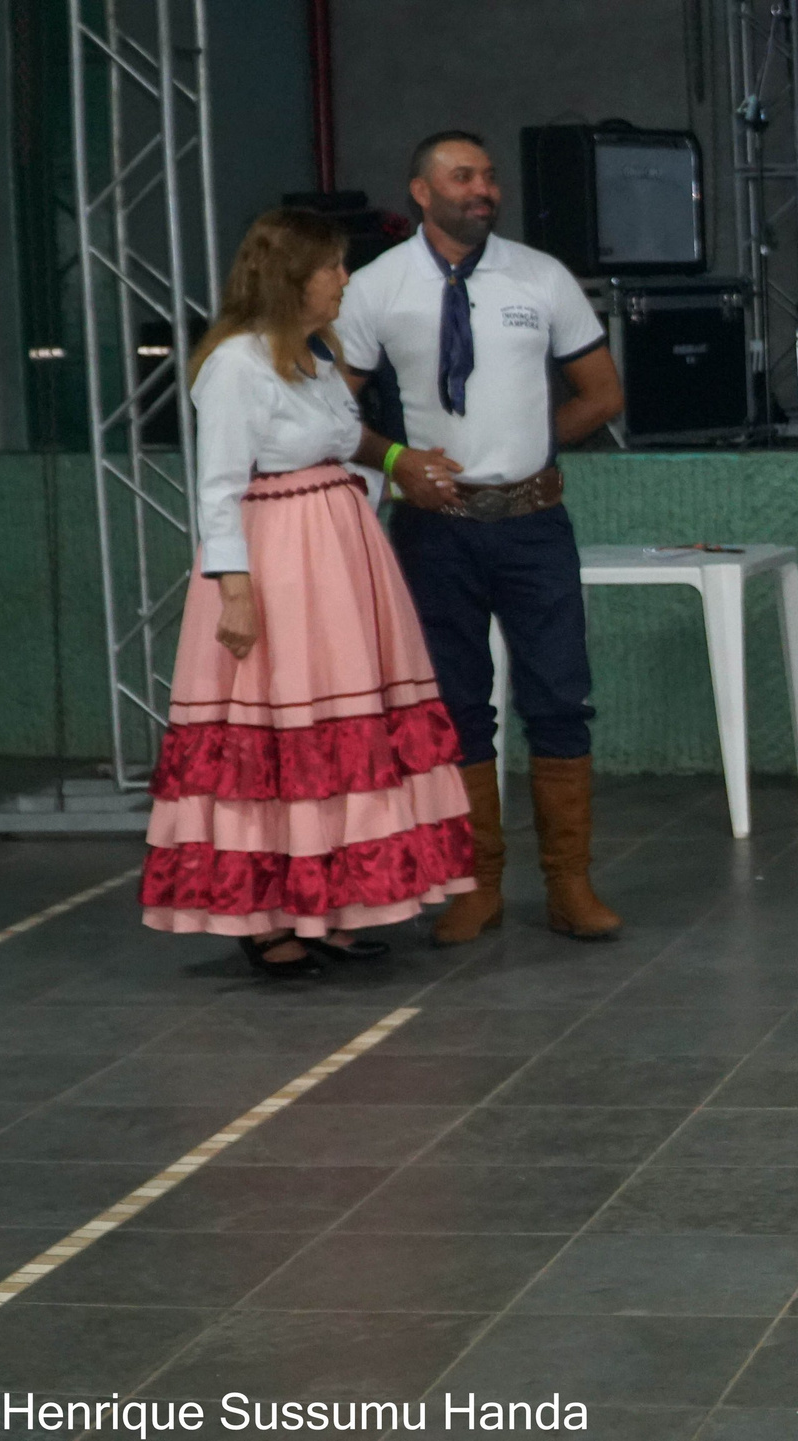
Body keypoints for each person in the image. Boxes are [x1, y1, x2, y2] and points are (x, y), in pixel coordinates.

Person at [140, 208, 476, 977]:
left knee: (342, 734)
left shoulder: (310, 357)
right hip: (282, 559)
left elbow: (339, 442)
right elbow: (219, 488)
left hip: (337, 557)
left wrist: (385, 472)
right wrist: (235, 590)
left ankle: (326, 902)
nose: (343, 280)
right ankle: (267, 916)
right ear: (292, 276)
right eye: (332, 267)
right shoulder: (236, 365)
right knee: (287, 727)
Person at [336, 130, 626, 946]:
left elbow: (602, 394)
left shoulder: (541, 277)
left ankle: (570, 884)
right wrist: (395, 458)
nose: (484, 190)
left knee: (560, 700)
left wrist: (529, 450)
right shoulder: (377, 286)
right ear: (421, 192)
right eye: (463, 177)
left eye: (490, 177)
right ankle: (476, 884)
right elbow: (330, 408)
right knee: (458, 707)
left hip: (534, 522)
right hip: (435, 529)